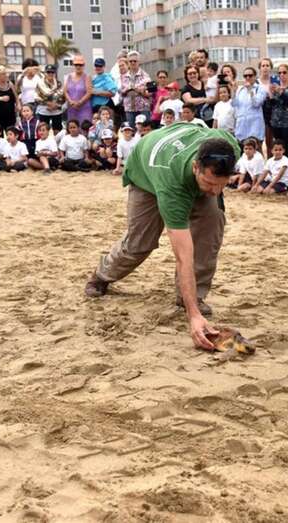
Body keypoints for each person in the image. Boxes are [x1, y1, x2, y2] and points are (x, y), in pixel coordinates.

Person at [84, 122, 240, 348]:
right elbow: (183, 256)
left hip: (175, 157)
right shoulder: (171, 183)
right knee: (140, 243)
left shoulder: (228, 149)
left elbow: (213, 184)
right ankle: (101, 275)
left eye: (221, 185)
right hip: (147, 174)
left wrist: (209, 186)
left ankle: (191, 297)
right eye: (209, 182)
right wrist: (194, 317)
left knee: (212, 224)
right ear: (195, 167)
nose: (215, 191)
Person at [269, 63, 288, 167]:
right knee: (278, 147)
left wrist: (281, 93)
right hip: (276, 121)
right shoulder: (276, 86)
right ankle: (279, 168)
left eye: (284, 72)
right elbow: (272, 105)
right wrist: (271, 95)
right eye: (280, 73)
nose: (282, 75)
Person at [232, 67, 267, 143]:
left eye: (250, 75)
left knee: (255, 148)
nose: (247, 78)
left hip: (254, 127)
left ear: (255, 76)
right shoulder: (240, 90)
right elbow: (234, 104)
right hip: (241, 127)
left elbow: (256, 103)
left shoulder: (260, 88)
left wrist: (250, 90)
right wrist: (233, 92)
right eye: (245, 76)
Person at [119, 51, 151, 125]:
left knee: (145, 128)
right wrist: (127, 90)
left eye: (135, 61)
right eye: (130, 61)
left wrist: (138, 90)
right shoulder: (123, 77)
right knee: (131, 129)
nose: (133, 63)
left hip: (143, 108)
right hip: (129, 109)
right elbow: (120, 92)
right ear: (128, 62)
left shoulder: (145, 76)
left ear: (139, 62)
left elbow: (150, 93)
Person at [64, 55, 94, 126]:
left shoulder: (87, 77)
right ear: (73, 65)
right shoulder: (68, 76)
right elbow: (65, 91)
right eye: (76, 64)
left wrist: (80, 102)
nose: (78, 66)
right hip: (71, 108)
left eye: (80, 65)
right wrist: (71, 102)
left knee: (85, 127)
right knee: (72, 128)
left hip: (84, 108)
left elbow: (89, 92)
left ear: (83, 65)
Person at [37, 64, 64, 132]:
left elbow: (63, 97)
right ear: (45, 73)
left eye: (52, 72)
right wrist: (48, 103)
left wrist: (56, 105)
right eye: (48, 72)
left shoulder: (59, 83)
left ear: (55, 73)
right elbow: (36, 97)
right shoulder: (39, 83)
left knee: (57, 132)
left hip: (56, 111)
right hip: (44, 111)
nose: (50, 74)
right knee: (43, 131)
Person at [258, 58, 275, 154]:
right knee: (259, 141)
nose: (265, 68)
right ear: (260, 68)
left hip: (271, 112)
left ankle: (270, 159)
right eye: (263, 66)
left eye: (267, 65)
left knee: (270, 141)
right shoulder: (256, 82)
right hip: (259, 112)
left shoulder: (275, 80)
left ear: (271, 68)